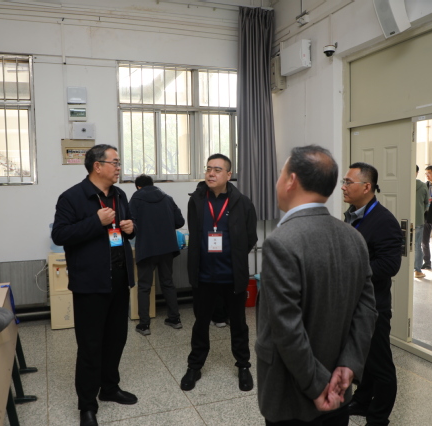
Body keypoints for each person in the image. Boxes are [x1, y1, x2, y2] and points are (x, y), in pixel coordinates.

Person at [256, 146, 377, 426]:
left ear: (291, 180)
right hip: (340, 387)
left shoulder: (281, 242)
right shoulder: (353, 237)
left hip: (294, 395)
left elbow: (286, 327)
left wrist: (317, 385)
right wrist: (349, 365)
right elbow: (367, 309)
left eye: (281, 174)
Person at [52, 144, 137, 426]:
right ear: (97, 166)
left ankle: (109, 388)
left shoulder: (120, 195)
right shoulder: (72, 197)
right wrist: (95, 221)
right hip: (90, 284)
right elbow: (60, 234)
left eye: (119, 162)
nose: (119, 167)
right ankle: (87, 405)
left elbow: (125, 228)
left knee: (116, 339)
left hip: (119, 279)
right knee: (90, 346)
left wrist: (131, 229)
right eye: (115, 162)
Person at [180, 153, 258, 392]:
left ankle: (243, 366)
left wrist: (234, 257)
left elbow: (251, 237)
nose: (211, 173)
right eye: (208, 169)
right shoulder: (196, 200)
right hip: (203, 276)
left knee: (239, 324)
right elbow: (195, 234)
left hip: (232, 276)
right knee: (200, 324)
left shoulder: (243, 202)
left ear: (228, 175)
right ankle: (194, 366)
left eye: (217, 169)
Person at [342, 162, 403, 426]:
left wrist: (351, 271)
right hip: (353, 304)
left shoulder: (384, 221)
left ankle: (378, 418)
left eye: (348, 182)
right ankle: (362, 400)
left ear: (366, 187)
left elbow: (389, 265)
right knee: (361, 357)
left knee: (380, 365)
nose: (343, 187)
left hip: (374, 306)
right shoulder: (351, 215)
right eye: (343, 182)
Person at [129, 174, 185, 336]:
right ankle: (175, 319)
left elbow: (130, 225)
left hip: (147, 249)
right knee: (167, 282)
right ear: (152, 184)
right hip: (167, 248)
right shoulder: (167, 198)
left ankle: (144, 325)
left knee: (144, 286)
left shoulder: (136, 199)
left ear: (138, 187)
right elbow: (180, 222)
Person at [415, 165, 429, 279]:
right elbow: (426, 204)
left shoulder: (402, 184)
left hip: (402, 219)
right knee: (417, 246)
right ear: (417, 172)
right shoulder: (423, 186)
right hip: (418, 220)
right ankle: (418, 271)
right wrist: (420, 212)